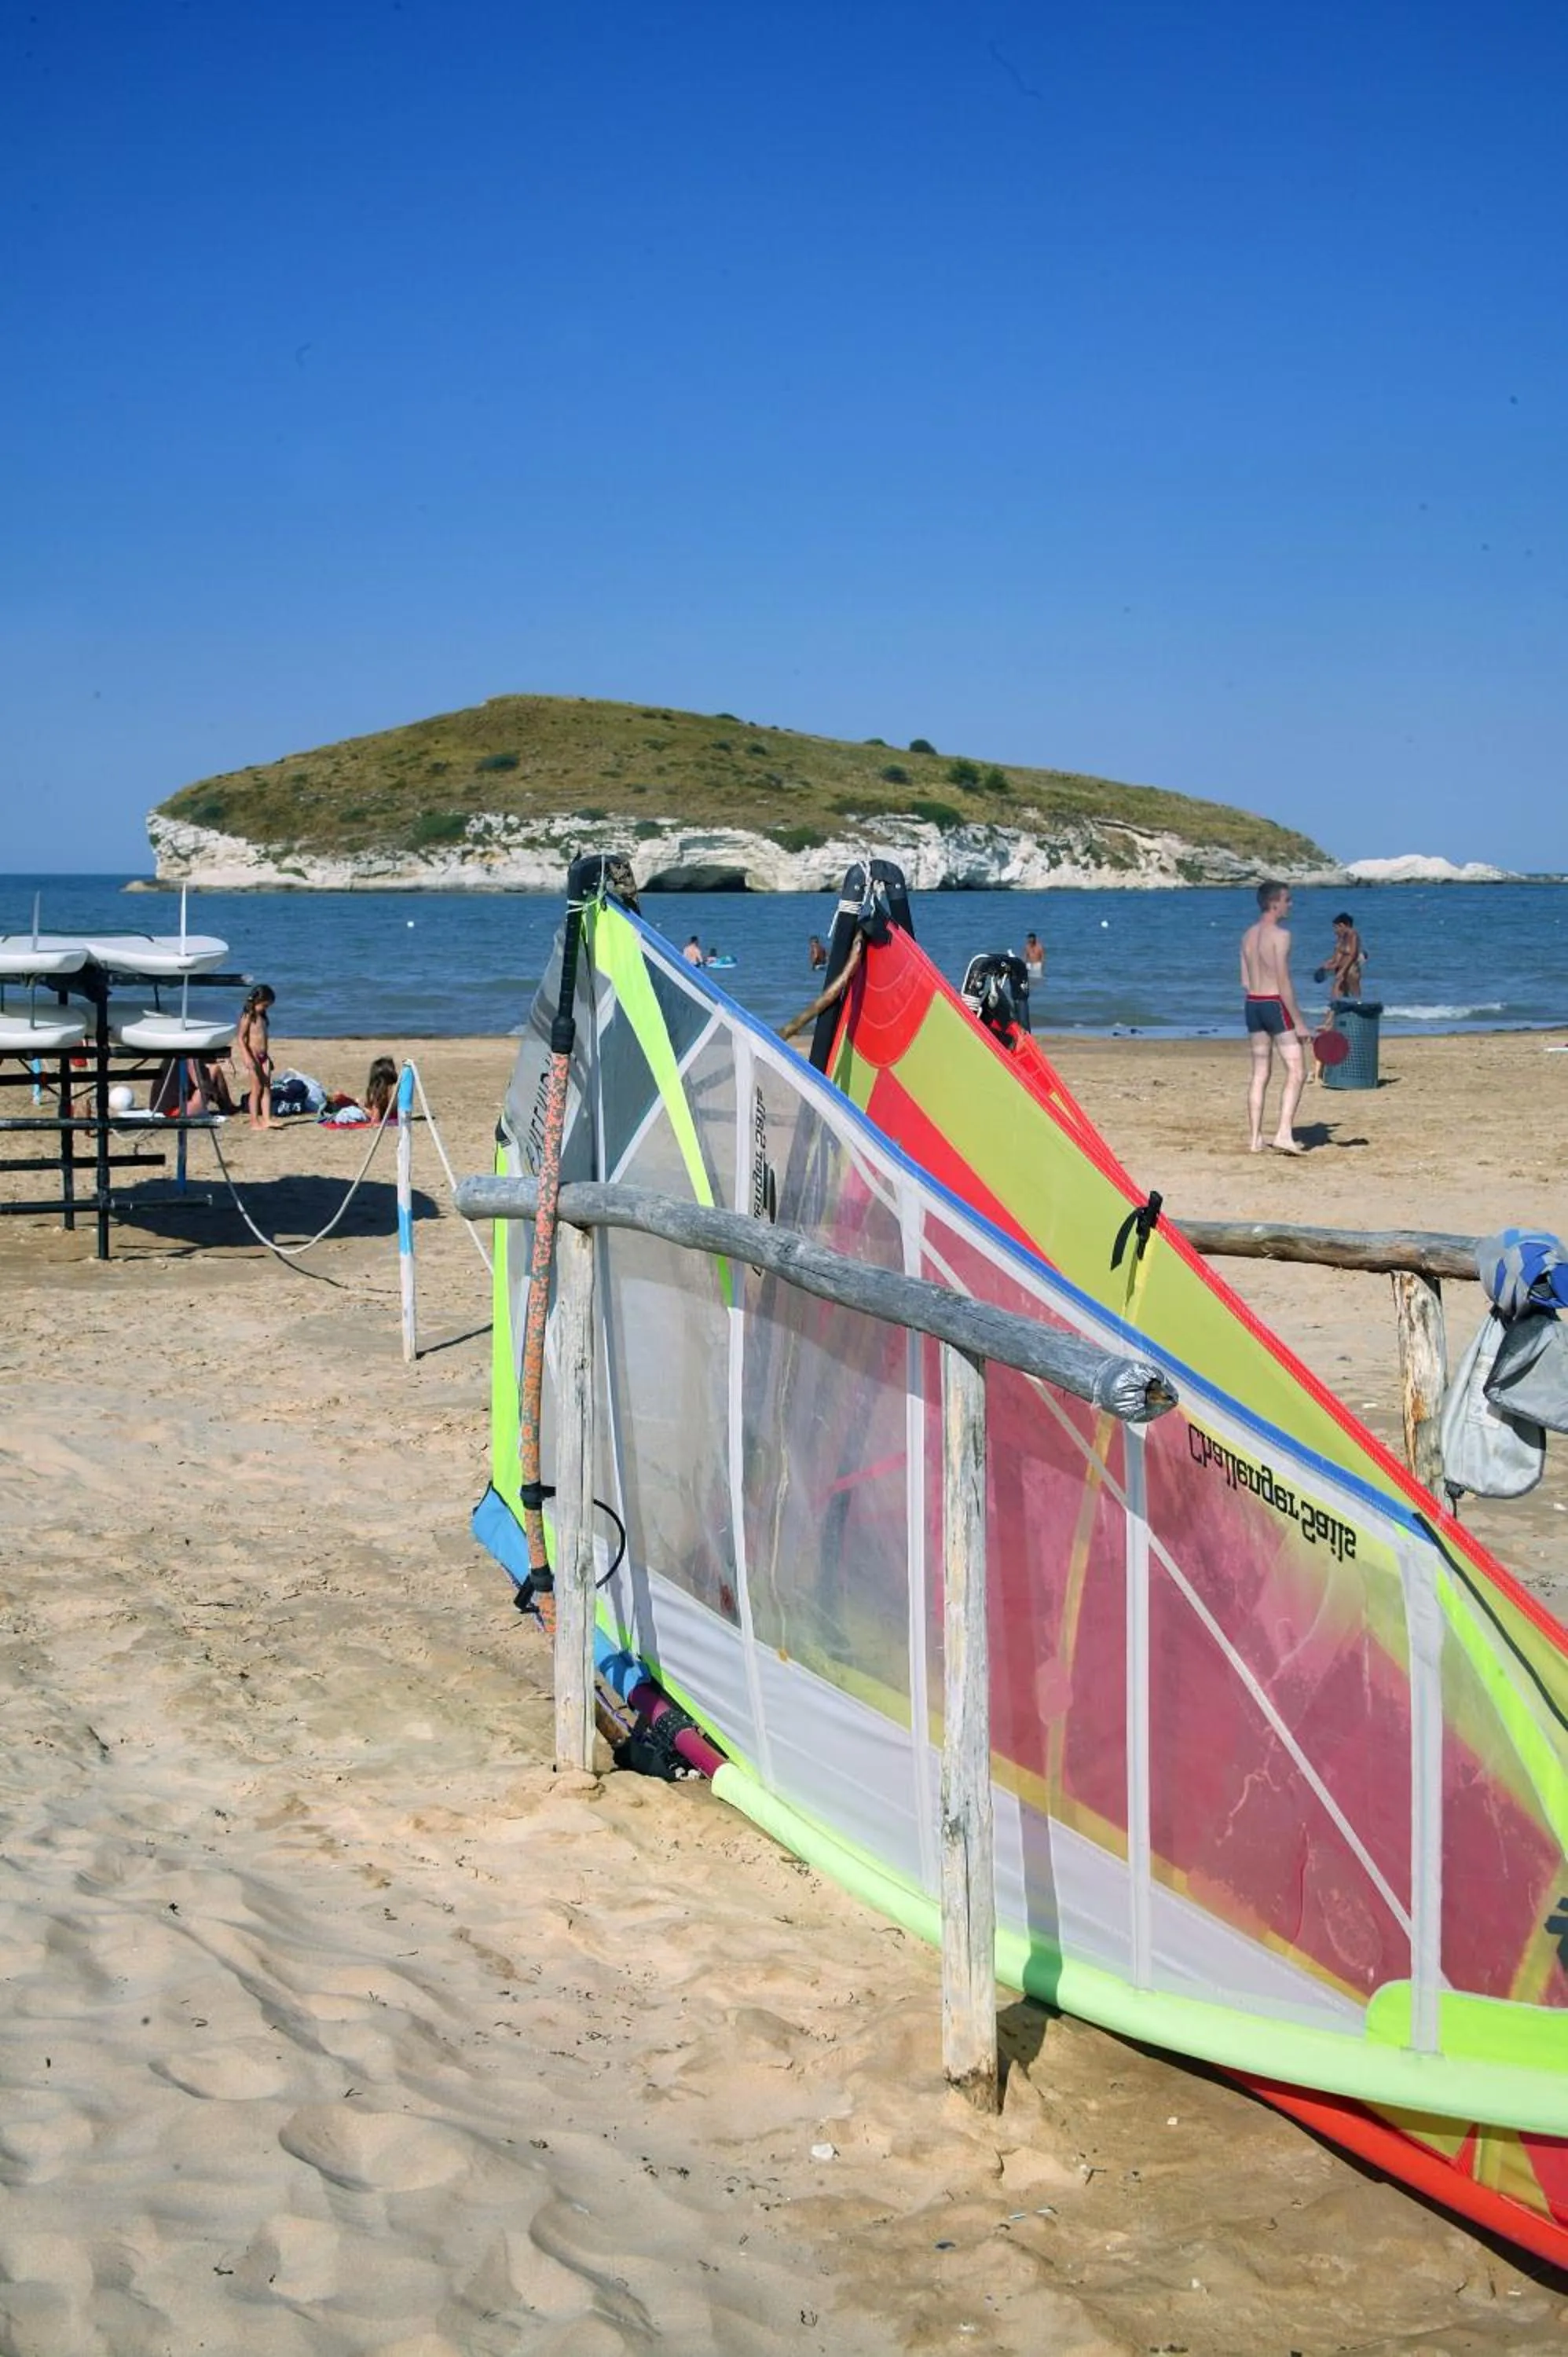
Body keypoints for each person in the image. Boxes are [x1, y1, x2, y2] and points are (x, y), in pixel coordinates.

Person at [1240, 883, 1311, 1154]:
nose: (1290, 905)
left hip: (1253, 1005)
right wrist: (1300, 1023)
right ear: (1274, 903)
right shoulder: (1281, 935)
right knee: (1297, 1070)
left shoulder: (1247, 935)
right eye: (1287, 900)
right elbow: (1283, 981)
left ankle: (1255, 1138)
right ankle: (1283, 1133)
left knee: (1260, 1073)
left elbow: (1245, 980)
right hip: (1273, 1004)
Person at [236, 984, 276, 1131]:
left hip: (263, 1056)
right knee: (256, 1088)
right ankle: (254, 1121)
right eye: (264, 1005)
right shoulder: (248, 1016)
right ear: (257, 1001)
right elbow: (240, 1038)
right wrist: (247, 1057)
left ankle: (267, 1119)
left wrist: (268, 1057)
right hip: (252, 1056)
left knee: (266, 1087)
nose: (265, 1009)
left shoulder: (262, 1017)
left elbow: (263, 1038)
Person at [1315, 910, 1367, 1004]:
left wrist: (1343, 970)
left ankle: (1359, 1005)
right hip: (1341, 969)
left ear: (1343, 925)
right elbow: (1336, 956)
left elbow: (1352, 954)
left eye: (1336, 927)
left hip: (1351, 968)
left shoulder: (1353, 934)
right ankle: (1335, 1011)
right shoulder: (1341, 937)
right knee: (1336, 992)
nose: (1335, 930)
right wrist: (1328, 964)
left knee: (1353, 989)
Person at [364, 1055, 399, 1124]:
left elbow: (375, 1120)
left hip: (385, 1115)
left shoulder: (381, 1091)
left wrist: (363, 1110)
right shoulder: (397, 1087)